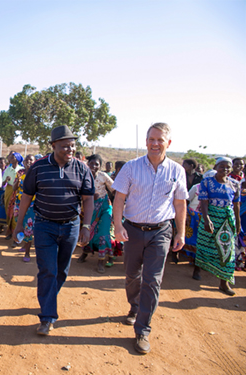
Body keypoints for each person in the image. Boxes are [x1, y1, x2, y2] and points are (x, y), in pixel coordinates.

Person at [112, 122, 188, 354]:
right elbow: (119, 199)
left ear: (168, 143)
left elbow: (179, 203)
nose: (155, 144)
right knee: (131, 276)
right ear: (146, 141)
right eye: (151, 139)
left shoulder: (177, 171)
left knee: (153, 280)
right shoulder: (131, 168)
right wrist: (118, 226)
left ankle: (143, 329)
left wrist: (181, 232)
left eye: (160, 140)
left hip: (161, 231)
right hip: (133, 230)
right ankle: (135, 307)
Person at [13, 125, 94, 335]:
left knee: (61, 271)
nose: (70, 149)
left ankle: (48, 298)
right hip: (44, 225)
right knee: (47, 270)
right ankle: (48, 317)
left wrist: (86, 226)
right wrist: (19, 223)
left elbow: (88, 198)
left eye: (73, 145)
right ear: (53, 145)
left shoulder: (82, 168)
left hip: (71, 227)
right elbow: (27, 196)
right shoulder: (38, 168)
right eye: (65, 146)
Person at [193, 157, 241, 295]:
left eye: (228, 167)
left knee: (227, 250)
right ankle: (197, 268)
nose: (225, 170)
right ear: (216, 167)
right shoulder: (207, 182)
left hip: (227, 220)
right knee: (204, 244)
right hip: (211, 216)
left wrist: (237, 223)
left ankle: (224, 283)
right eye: (222, 166)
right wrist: (207, 219)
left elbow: (236, 205)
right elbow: (204, 201)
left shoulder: (235, 184)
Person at [77, 154, 115, 273]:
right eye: (91, 163)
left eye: (96, 164)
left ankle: (101, 261)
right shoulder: (82, 175)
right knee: (89, 231)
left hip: (104, 208)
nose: (93, 166)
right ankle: (85, 252)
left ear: (100, 166)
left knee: (103, 232)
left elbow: (115, 190)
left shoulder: (103, 176)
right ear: (88, 164)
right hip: (89, 208)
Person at [13, 154, 36, 262]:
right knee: (19, 223)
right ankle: (24, 244)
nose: (28, 162)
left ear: (34, 161)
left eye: (31, 160)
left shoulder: (36, 173)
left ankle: (27, 252)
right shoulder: (20, 172)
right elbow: (14, 188)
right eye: (27, 160)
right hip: (19, 202)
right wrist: (17, 180)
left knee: (29, 227)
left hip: (31, 204)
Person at [3, 152, 24, 242]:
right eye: (10, 157)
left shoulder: (21, 170)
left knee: (16, 212)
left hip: (18, 191)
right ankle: (10, 231)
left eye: (13, 157)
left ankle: (15, 234)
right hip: (9, 189)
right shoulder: (8, 169)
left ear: (17, 159)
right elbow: (2, 183)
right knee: (8, 210)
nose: (10, 158)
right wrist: (6, 180)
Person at [0, 156, 7, 233]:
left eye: (2, 163)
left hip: (5, 191)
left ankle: (3, 225)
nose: (0, 164)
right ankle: (0, 224)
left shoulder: (7, 171)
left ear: (5, 163)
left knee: (3, 208)